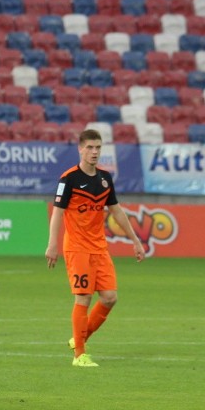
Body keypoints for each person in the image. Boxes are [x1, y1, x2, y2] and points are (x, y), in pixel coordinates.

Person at [45, 128, 145, 368]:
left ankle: (79, 338)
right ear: (80, 149)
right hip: (77, 247)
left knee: (110, 298)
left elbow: (116, 210)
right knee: (84, 298)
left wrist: (135, 239)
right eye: (89, 147)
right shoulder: (68, 178)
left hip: (99, 247)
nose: (94, 152)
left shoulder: (104, 178)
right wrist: (52, 244)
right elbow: (58, 211)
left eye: (98, 147)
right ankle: (79, 354)